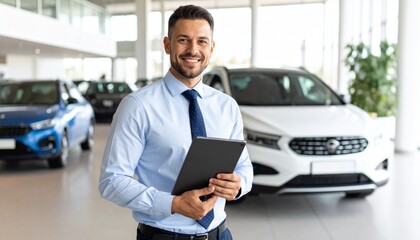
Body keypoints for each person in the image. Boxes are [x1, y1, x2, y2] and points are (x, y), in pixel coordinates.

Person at [98, 4, 253, 240]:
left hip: (220, 234)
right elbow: (112, 181)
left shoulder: (227, 106)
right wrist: (173, 204)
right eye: (183, 40)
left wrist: (239, 184)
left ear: (211, 48)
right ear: (167, 44)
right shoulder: (138, 106)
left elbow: (244, 166)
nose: (193, 49)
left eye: (202, 41)